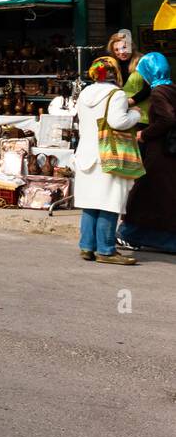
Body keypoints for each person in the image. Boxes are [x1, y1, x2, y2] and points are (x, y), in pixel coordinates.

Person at [73, 57, 142, 265]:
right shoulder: (117, 94)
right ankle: (106, 250)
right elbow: (117, 122)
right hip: (108, 153)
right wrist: (135, 115)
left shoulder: (84, 93)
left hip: (86, 153)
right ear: (115, 73)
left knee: (90, 203)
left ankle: (87, 247)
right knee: (109, 202)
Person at [118, 53, 176, 253]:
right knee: (162, 195)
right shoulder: (171, 88)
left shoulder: (159, 92)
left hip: (159, 153)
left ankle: (130, 234)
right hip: (168, 153)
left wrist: (144, 133)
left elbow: (167, 119)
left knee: (143, 194)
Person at [106, 29, 150, 126]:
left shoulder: (143, 61)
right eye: (116, 50)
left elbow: (149, 87)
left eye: (124, 47)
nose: (121, 52)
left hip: (141, 115)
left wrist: (130, 101)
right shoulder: (113, 66)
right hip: (120, 114)